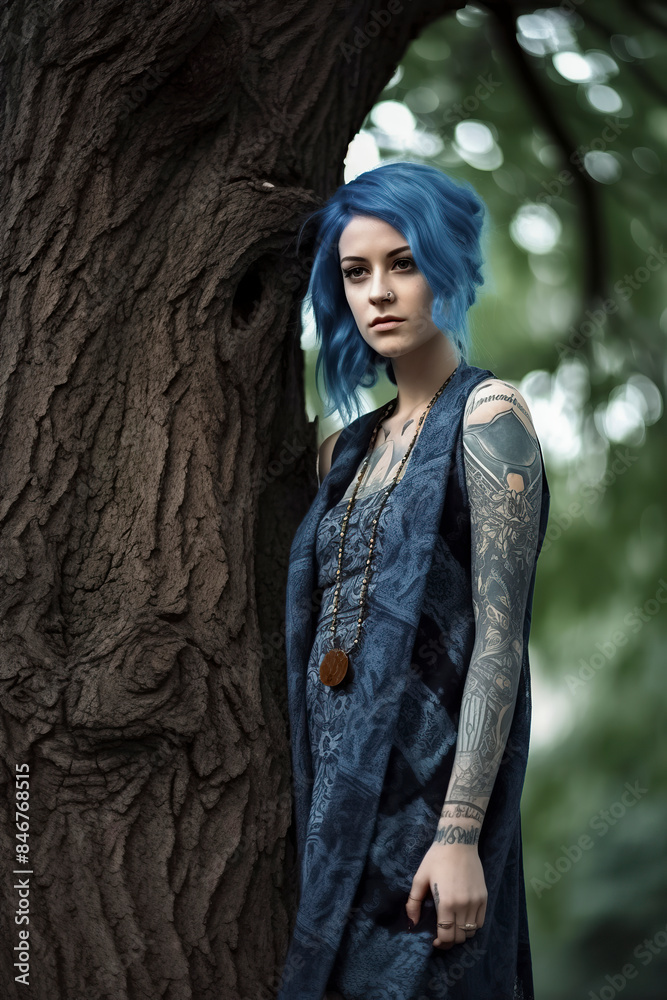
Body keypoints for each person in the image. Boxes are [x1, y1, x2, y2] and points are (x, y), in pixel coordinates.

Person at [278, 161, 550, 1000]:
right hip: (328, 803)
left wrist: (461, 831)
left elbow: (500, 637)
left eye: (403, 262)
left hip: (431, 801)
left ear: (448, 266)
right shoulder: (343, 450)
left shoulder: (489, 416)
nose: (379, 293)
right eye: (356, 274)